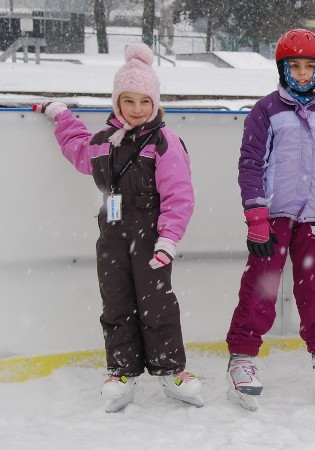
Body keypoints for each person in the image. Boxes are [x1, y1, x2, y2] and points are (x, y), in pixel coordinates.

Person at [33, 43, 202, 412]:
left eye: (145, 101)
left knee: (157, 304)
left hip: (151, 239)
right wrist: (60, 113)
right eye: (129, 101)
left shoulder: (164, 142)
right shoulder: (104, 143)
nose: (137, 109)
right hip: (111, 235)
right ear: (117, 102)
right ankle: (122, 370)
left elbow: (179, 196)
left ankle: (172, 368)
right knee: (116, 302)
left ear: (155, 102)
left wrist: (168, 239)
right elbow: (77, 148)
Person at [225, 28, 315, 409]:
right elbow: (251, 164)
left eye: (309, 67)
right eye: (294, 66)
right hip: (275, 217)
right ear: (282, 69)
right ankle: (242, 356)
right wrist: (256, 214)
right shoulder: (267, 110)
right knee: (262, 286)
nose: (302, 74)